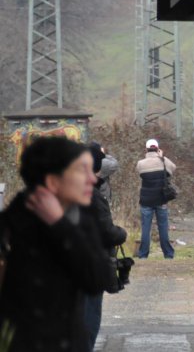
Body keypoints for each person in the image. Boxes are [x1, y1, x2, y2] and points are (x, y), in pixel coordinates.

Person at [0, 136, 118, 351]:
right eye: (83, 171)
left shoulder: (81, 216)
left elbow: (99, 278)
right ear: (54, 181)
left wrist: (60, 224)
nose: (92, 179)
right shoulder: (15, 224)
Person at [83, 142, 128, 350]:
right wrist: (121, 234)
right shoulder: (92, 195)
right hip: (91, 263)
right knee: (90, 315)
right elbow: (106, 231)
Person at [135, 138, 176, 259]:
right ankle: (168, 254)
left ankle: (143, 254)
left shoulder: (140, 163)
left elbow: (140, 173)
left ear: (146, 150)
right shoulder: (163, 161)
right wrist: (162, 157)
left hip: (146, 200)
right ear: (158, 149)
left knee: (145, 228)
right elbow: (173, 168)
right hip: (161, 199)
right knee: (163, 226)